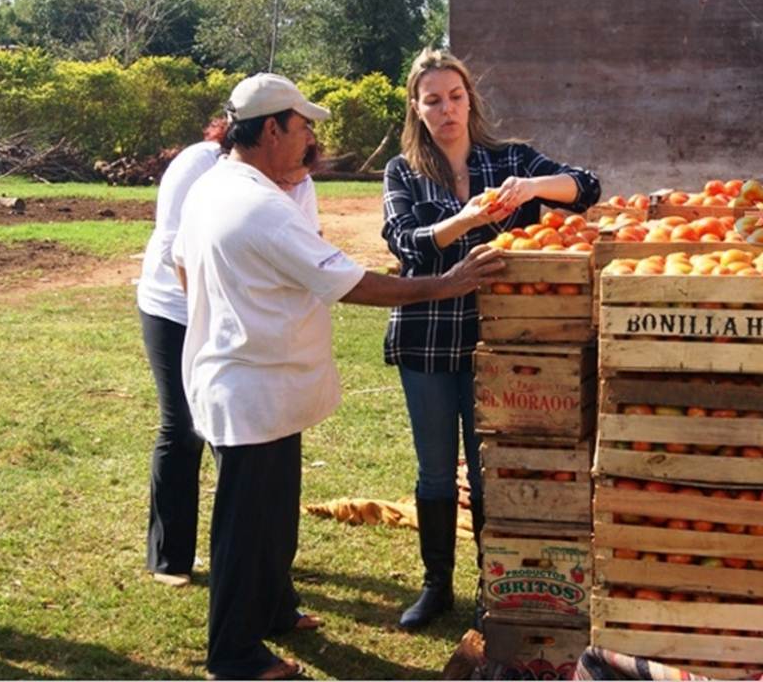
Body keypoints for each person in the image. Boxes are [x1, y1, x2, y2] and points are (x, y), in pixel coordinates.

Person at [171, 72, 505, 680]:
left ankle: (273, 608)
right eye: (302, 130)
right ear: (271, 130)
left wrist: (232, 313)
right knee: (246, 526)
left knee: (273, 512)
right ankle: (235, 654)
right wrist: (447, 283)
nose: (309, 144)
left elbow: (180, 267)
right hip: (251, 386)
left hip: (255, 382)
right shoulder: (259, 205)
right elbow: (352, 283)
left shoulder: (216, 185)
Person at [382, 48, 601, 630]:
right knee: (434, 470)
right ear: (417, 108)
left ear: (469, 100)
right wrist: (471, 220)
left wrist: (529, 189)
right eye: (433, 100)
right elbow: (407, 243)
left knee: (489, 470)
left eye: (455, 97)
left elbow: (587, 187)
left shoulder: (508, 161)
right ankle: (436, 588)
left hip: (498, 343)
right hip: (427, 339)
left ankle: (493, 585)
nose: (447, 109)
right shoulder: (404, 171)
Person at [137, 120, 320, 588]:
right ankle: (171, 555)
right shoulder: (198, 165)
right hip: (176, 306)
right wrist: (212, 315)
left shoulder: (297, 177)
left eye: (299, 177)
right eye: (288, 176)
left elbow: (303, 251)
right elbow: (171, 250)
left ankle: (253, 562)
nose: (292, 184)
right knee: (183, 423)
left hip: (235, 308)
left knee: (242, 438)